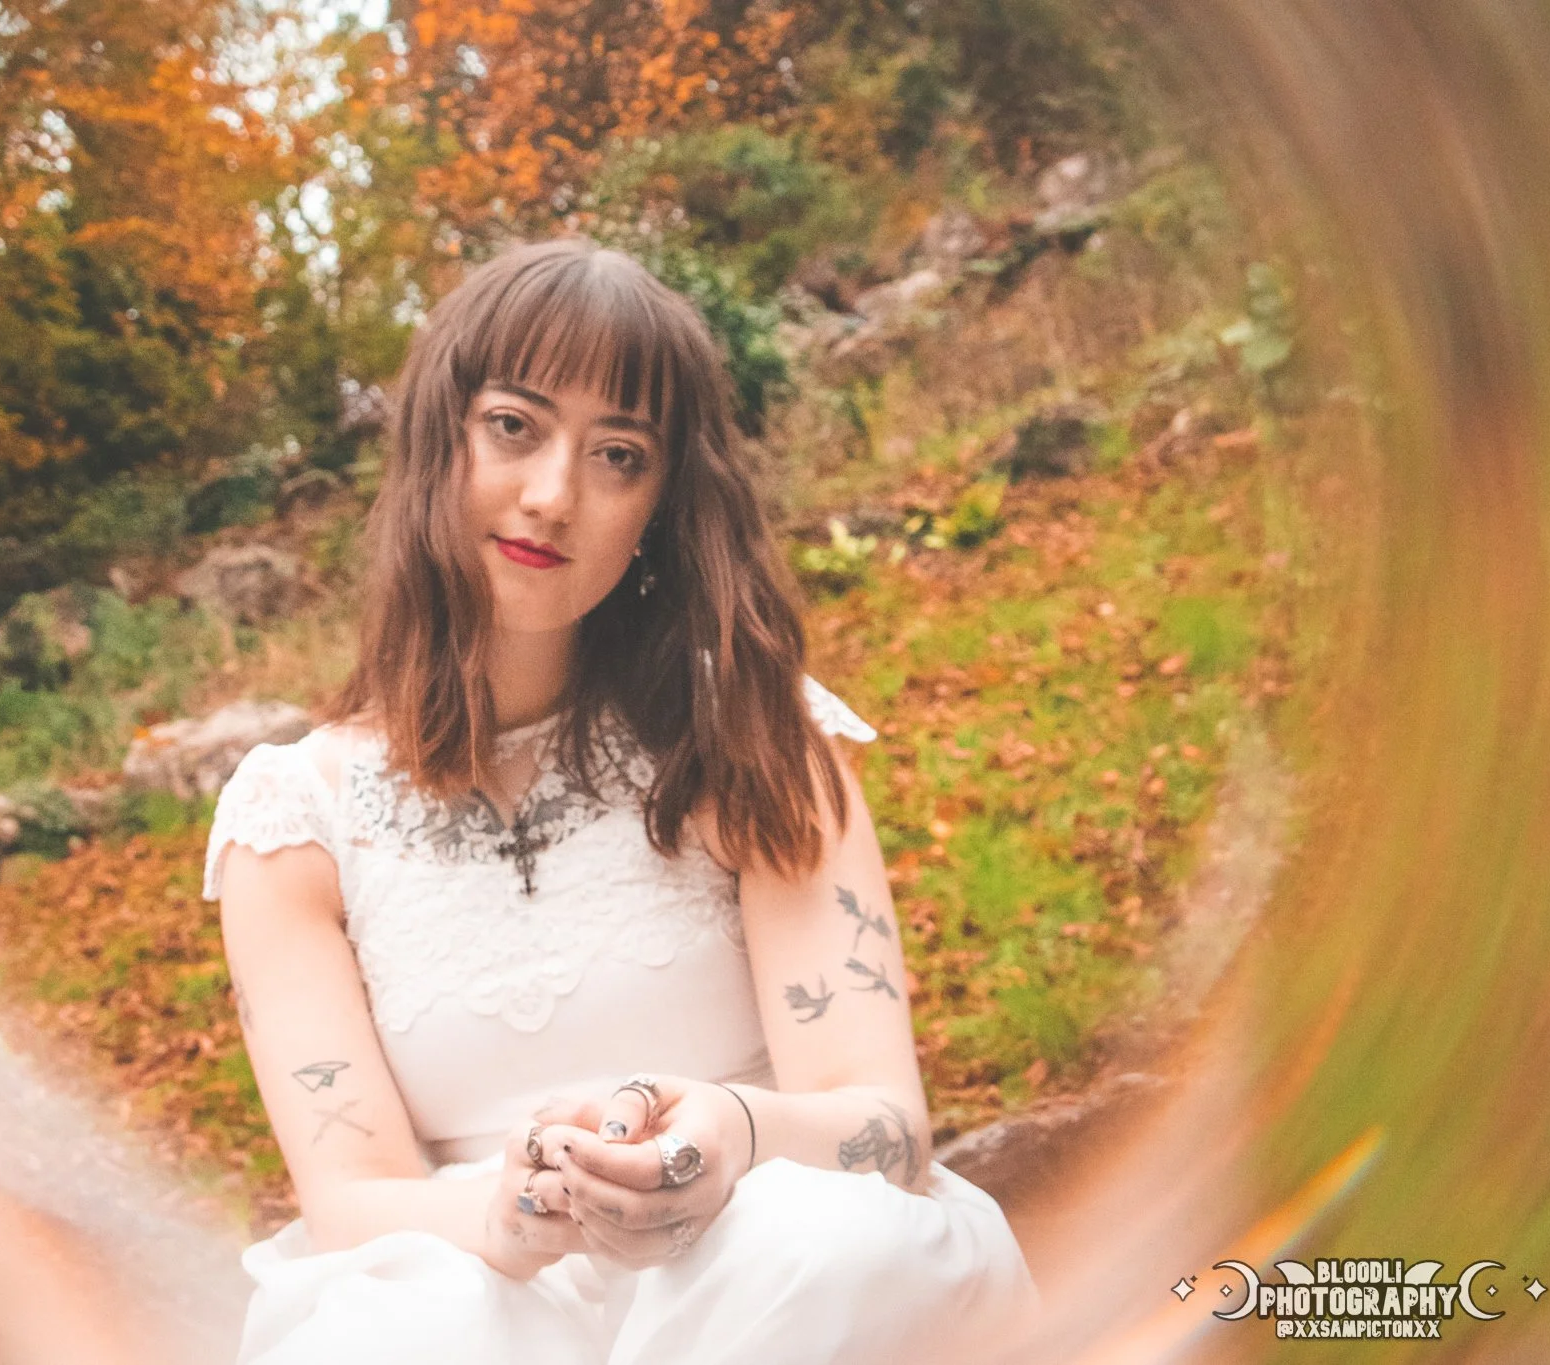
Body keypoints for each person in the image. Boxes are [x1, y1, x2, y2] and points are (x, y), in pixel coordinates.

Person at [202, 237, 1038, 1364]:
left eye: (617, 455)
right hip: (479, 1290)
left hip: (769, 1281)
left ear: (661, 502)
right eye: (513, 426)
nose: (553, 496)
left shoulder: (748, 733)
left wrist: (732, 1134)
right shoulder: (294, 822)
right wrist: (509, 1216)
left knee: (822, 1245)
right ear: (438, 441)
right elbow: (351, 1195)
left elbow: (885, 1126)